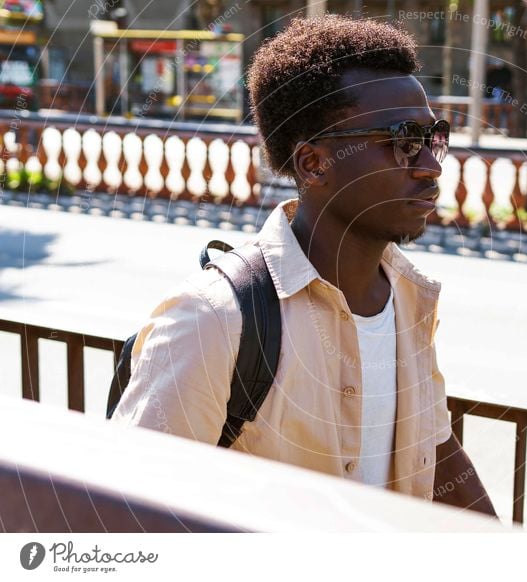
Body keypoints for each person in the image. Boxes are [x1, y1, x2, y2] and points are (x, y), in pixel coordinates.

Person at [112, 15, 497, 518]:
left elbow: (435, 453)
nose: (430, 165)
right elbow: (125, 514)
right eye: (403, 139)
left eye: (434, 137)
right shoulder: (215, 318)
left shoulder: (409, 298)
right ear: (314, 163)